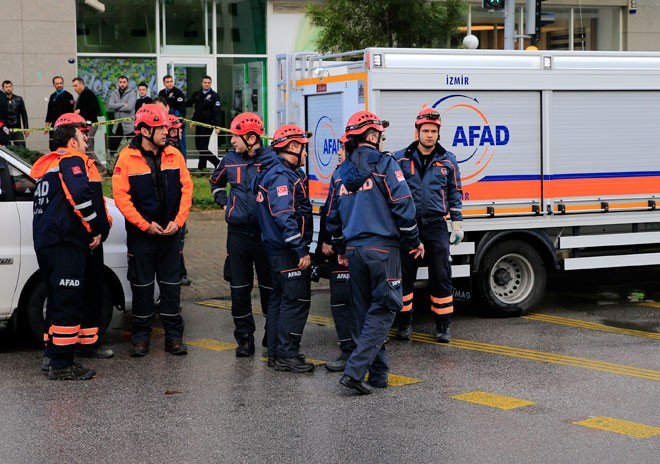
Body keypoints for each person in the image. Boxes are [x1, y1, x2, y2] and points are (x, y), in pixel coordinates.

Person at [326, 110, 424, 395]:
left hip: (355, 252)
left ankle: (379, 374)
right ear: (372, 135)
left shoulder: (340, 173)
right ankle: (354, 372)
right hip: (383, 249)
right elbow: (404, 205)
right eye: (379, 134)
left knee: (365, 312)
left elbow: (332, 216)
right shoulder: (385, 164)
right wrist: (414, 240)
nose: (382, 139)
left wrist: (342, 247)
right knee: (384, 310)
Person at [31, 113, 109, 380]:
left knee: (56, 299)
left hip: (47, 242)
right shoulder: (72, 160)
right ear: (71, 141)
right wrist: (95, 227)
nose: (86, 137)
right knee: (67, 301)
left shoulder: (47, 168)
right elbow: (79, 196)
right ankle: (63, 365)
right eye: (82, 133)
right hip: (66, 241)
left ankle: (51, 355)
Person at [112, 103, 193, 357]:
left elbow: (187, 190)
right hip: (142, 237)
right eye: (160, 128)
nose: (166, 132)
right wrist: (145, 225)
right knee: (142, 289)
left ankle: (174, 338)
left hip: (170, 235)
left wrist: (177, 223)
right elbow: (121, 198)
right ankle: (141, 338)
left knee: (171, 289)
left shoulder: (175, 155)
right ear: (145, 130)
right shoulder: (126, 157)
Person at [393, 107, 463, 343]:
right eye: (426, 130)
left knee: (441, 274)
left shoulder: (448, 160)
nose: (430, 135)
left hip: (436, 225)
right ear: (417, 132)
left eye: (434, 131)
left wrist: (457, 224)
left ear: (438, 133)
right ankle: (404, 323)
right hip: (409, 227)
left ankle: (443, 325)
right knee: (405, 275)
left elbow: (455, 192)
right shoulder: (400, 159)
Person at [209, 112, 273, 358]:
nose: (232, 140)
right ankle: (244, 339)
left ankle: (271, 332)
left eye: (236, 136)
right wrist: (224, 203)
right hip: (237, 235)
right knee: (239, 290)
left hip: (265, 235)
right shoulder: (228, 159)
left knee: (269, 288)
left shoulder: (270, 160)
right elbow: (214, 182)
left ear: (251, 137)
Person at [255, 123, 314, 373]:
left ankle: (278, 353)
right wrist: (300, 250)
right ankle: (287, 354)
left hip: (276, 250)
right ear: (292, 146)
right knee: (296, 301)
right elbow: (283, 214)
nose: (307, 154)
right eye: (304, 148)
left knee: (280, 301)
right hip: (286, 251)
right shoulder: (281, 175)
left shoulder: (274, 171)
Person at [317, 133, 358, 372]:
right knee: (341, 301)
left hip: (352, 248)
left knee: (350, 301)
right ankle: (349, 351)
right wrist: (325, 241)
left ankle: (355, 353)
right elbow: (328, 211)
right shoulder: (338, 174)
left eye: (342, 148)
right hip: (339, 247)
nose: (338, 152)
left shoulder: (356, 175)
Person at [166, 114, 191, 287]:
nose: (180, 131)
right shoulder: (169, 151)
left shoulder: (176, 148)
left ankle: (180, 272)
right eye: (176, 129)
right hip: (172, 206)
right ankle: (178, 273)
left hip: (178, 204)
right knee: (176, 243)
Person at [189, 75, 222, 170]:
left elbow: (217, 111)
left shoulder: (214, 96)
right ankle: (204, 167)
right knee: (199, 146)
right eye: (205, 82)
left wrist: (217, 125)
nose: (207, 84)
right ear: (202, 83)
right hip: (199, 123)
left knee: (203, 147)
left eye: (208, 83)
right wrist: (193, 121)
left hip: (208, 124)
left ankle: (215, 163)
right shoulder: (198, 94)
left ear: (210, 84)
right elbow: (197, 109)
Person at [72, 77, 103, 171]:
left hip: (90, 124)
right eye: (73, 86)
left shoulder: (88, 94)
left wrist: (80, 111)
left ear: (82, 84)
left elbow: (95, 108)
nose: (74, 88)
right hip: (85, 125)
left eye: (76, 85)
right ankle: (92, 167)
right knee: (88, 145)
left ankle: (100, 167)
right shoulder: (82, 94)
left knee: (87, 145)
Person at [106, 75, 136, 156]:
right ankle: (111, 163)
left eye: (124, 82)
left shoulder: (132, 93)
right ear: (118, 83)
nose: (122, 84)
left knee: (133, 146)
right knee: (113, 147)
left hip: (128, 125)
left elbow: (129, 107)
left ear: (127, 83)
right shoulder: (114, 93)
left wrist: (116, 107)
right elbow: (110, 106)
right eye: (120, 82)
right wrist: (122, 104)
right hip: (117, 124)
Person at [158, 75, 187, 157]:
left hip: (177, 123)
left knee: (181, 144)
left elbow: (182, 110)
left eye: (171, 81)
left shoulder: (178, 93)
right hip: (165, 123)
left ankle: (183, 163)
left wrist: (179, 122)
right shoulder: (161, 93)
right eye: (167, 82)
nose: (170, 83)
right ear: (164, 83)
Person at [45, 76, 75, 151]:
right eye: (57, 83)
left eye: (61, 83)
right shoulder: (52, 96)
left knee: (63, 145)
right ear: (54, 85)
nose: (59, 85)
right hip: (54, 125)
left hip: (64, 125)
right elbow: (49, 111)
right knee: (52, 146)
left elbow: (71, 112)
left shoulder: (68, 96)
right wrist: (47, 125)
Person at [3, 80, 29, 147]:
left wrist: (26, 128)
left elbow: (24, 114)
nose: (8, 88)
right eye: (6, 87)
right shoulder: (1, 100)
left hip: (17, 128)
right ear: (3, 88)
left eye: (10, 86)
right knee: (6, 149)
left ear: (12, 87)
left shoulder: (19, 99)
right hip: (5, 129)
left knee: (21, 147)